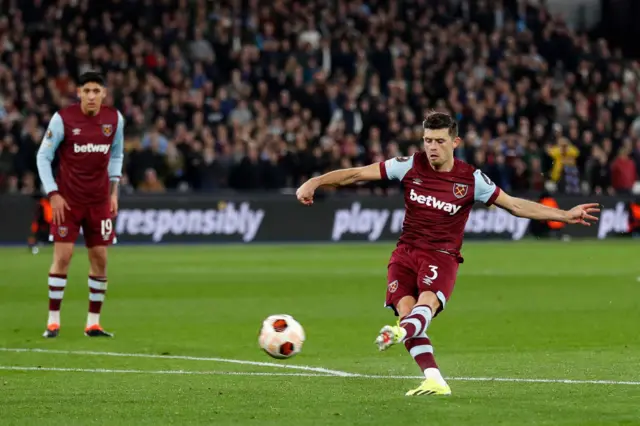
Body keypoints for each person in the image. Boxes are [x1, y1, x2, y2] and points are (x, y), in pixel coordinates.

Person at [295, 112, 599, 396]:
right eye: (427, 140)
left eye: (439, 141)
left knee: (424, 304)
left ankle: (402, 332)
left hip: (441, 255)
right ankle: (434, 379)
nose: (432, 147)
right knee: (406, 310)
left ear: (455, 143)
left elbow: (516, 206)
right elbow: (357, 175)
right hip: (405, 253)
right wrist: (316, 181)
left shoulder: (471, 179)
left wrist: (565, 214)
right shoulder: (409, 165)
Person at [36, 71, 124, 338]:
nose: (91, 96)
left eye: (96, 91)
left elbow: (117, 153)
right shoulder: (63, 119)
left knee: (100, 259)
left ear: (104, 94)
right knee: (63, 257)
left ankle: (93, 323)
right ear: (79, 92)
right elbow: (43, 156)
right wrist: (53, 193)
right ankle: (53, 321)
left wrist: (113, 191)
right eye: (87, 91)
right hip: (68, 202)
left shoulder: (114, 119)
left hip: (99, 202)